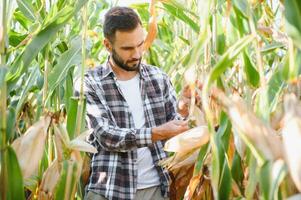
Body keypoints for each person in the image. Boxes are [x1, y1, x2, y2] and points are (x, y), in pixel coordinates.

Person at [80, 6, 193, 200]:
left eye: (140, 44)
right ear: (107, 45)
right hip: (110, 189)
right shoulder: (91, 82)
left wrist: (183, 110)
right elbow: (106, 136)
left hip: (157, 188)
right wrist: (156, 133)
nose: (137, 54)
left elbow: (174, 127)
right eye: (127, 48)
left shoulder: (158, 77)